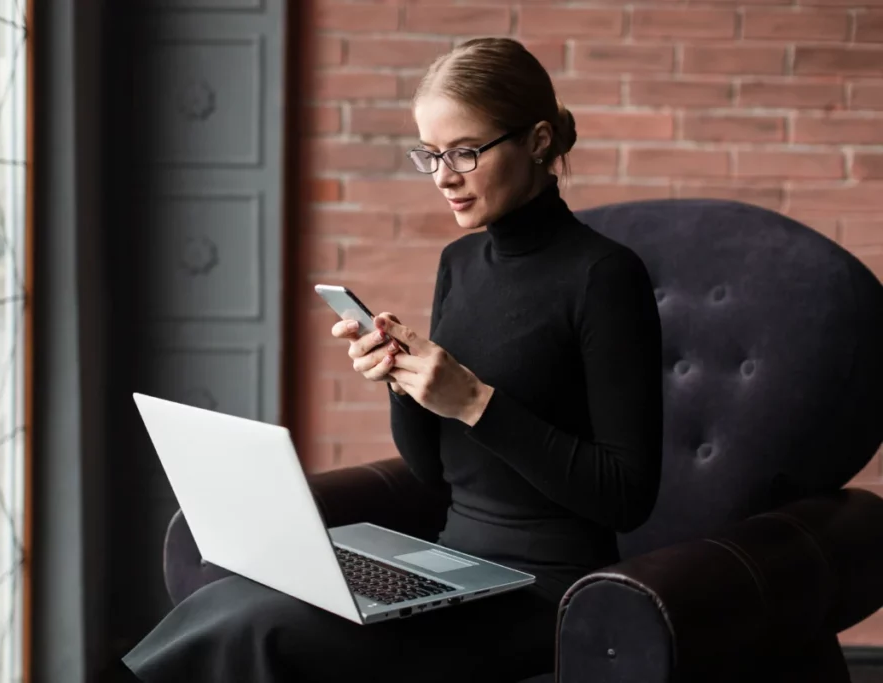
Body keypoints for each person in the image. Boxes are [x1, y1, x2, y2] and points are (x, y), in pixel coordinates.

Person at [123, 36, 663, 683]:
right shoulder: (459, 265)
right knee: (226, 601)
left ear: (540, 140)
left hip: (544, 594)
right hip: (449, 567)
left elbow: (627, 495)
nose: (444, 176)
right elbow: (433, 472)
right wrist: (401, 384)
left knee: (264, 628)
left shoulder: (605, 276)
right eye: (430, 155)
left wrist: (474, 403)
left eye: (465, 151)